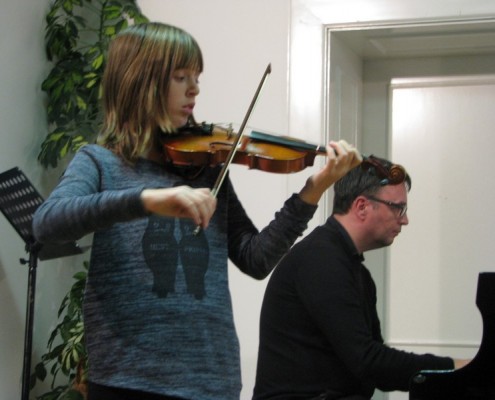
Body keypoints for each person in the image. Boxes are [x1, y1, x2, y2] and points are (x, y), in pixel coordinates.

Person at [32, 22, 362, 400]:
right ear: (141, 82)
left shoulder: (206, 168)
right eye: (181, 77)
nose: (195, 89)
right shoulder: (100, 162)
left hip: (211, 377)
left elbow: (255, 258)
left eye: (197, 78)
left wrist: (314, 188)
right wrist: (146, 200)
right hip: (128, 376)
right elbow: (47, 223)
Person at [252, 156, 470, 400]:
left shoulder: (353, 269)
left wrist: (453, 371)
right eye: (398, 208)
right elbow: (368, 361)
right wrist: (454, 368)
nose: (404, 219)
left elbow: (376, 367)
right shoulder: (320, 260)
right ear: (362, 206)